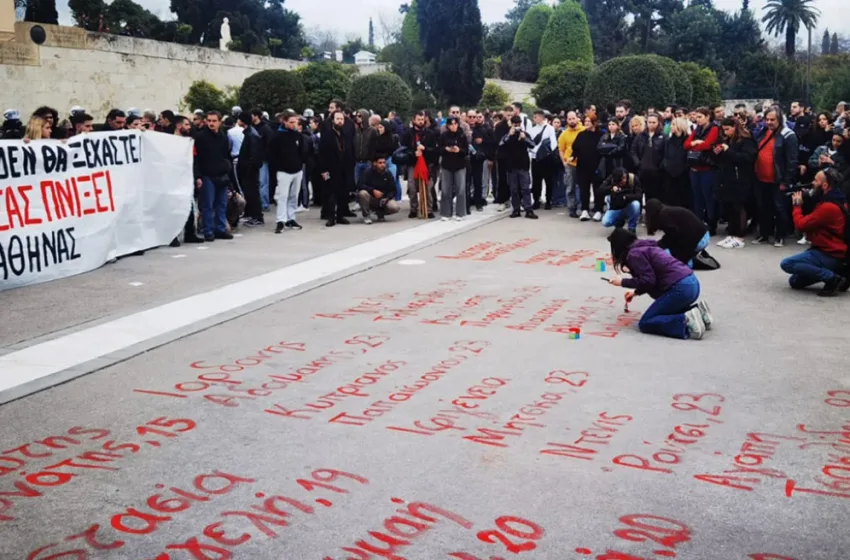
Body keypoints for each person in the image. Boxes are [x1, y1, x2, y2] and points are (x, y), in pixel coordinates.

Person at [607, 228, 710, 340]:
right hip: (691, 283)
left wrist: (622, 282)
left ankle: (686, 321)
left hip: (681, 288)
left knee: (646, 322)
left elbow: (648, 281)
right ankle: (698, 311)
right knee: (663, 311)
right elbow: (651, 277)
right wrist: (636, 292)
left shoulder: (634, 254)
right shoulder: (644, 246)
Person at [780, 168, 849, 296]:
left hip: (830, 252)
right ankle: (838, 272)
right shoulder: (838, 199)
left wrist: (797, 206)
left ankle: (832, 278)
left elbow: (801, 225)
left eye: (816, 181)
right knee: (795, 281)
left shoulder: (828, 207)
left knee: (787, 264)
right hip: (828, 249)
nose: (812, 183)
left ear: (825, 185)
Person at [753, 107, 798, 247]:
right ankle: (765, 234)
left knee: (779, 208)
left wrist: (786, 180)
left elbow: (792, 161)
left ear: (779, 119)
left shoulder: (788, 135)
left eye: (772, 120)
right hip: (761, 178)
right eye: (767, 119)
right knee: (763, 207)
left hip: (778, 179)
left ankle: (780, 236)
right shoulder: (762, 132)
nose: (769, 122)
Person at [714, 117, 756, 249]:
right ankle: (731, 234)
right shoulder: (727, 140)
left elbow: (747, 158)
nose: (725, 132)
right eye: (723, 130)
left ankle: (739, 236)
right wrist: (717, 153)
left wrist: (728, 150)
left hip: (741, 179)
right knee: (730, 208)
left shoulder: (747, 140)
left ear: (734, 127)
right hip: (727, 178)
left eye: (727, 129)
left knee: (739, 208)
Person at [193, 111, 234, 242]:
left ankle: (220, 229)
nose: (211, 123)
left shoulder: (223, 136)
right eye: (209, 120)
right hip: (207, 174)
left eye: (214, 121)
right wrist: (198, 175)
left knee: (222, 203)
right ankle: (208, 230)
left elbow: (226, 154)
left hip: (222, 173)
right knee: (208, 205)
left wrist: (227, 169)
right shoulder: (200, 137)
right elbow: (196, 158)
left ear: (220, 122)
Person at [685, 107, 720, 236]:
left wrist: (696, 144)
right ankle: (698, 223)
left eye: (700, 117)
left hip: (707, 168)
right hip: (695, 168)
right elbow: (686, 144)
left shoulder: (714, 128)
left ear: (707, 117)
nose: (697, 119)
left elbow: (707, 145)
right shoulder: (696, 129)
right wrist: (696, 142)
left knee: (708, 198)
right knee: (697, 198)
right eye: (697, 117)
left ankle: (711, 224)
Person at [645, 199, 710, 267]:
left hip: (699, 240)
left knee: (670, 258)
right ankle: (695, 254)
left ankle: (693, 260)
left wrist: (660, 244)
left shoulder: (663, 215)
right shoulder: (668, 211)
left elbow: (672, 235)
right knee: (670, 250)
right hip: (703, 236)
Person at [319, 111, 355, 227]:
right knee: (330, 194)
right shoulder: (327, 135)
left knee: (343, 193)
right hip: (330, 169)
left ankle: (340, 216)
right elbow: (321, 154)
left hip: (344, 169)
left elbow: (351, 151)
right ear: (333, 120)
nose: (340, 121)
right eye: (338, 119)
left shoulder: (347, 135)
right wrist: (323, 170)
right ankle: (330, 217)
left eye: (342, 119)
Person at [499, 115, 538, 219]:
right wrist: (509, 135)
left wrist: (524, 138)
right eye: (514, 124)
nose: (516, 126)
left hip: (523, 165)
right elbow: (501, 144)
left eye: (518, 124)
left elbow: (533, 145)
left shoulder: (525, 134)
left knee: (525, 188)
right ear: (511, 124)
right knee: (514, 189)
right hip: (511, 165)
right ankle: (516, 209)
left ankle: (528, 209)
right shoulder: (507, 135)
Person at [400, 111, 437, 219]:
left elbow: (434, 150)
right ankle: (413, 209)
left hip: (426, 163)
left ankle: (428, 209)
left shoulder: (430, 133)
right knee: (412, 186)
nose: (420, 122)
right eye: (418, 120)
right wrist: (413, 153)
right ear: (413, 120)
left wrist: (425, 150)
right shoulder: (407, 134)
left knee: (427, 186)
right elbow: (404, 149)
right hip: (412, 163)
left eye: (422, 120)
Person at [572, 115, 604, 221]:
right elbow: (575, 148)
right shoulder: (581, 134)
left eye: (589, 121)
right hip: (582, 166)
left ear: (594, 123)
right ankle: (585, 210)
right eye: (585, 121)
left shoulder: (601, 135)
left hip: (596, 166)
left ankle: (598, 210)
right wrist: (573, 156)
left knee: (597, 189)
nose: (586, 123)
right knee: (584, 189)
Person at [438, 116, 469, 221]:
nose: (453, 126)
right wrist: (446, 149)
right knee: (446, 189)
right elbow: (439, 149)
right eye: (451, 124)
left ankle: (460, 213)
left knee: (460, 189)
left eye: (455, 123)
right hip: (447, 164)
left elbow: (466, 151)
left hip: (459, 164)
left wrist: (459, 150)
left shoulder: (462, 135)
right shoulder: (443, 136)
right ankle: (446, 213)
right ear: (447, 125)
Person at [631, 113, 666, 203]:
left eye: (654, 122)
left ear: (658, 122)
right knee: (640, 194)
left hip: (657, 171)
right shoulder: (641, 136)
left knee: (655, 196)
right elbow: (633, 150)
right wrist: (638, 163)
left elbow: (666, 153)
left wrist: (661, 166)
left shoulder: (663, 136)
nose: (651, 124)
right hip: (642, 170)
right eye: (649, 122)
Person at [357, 156, 401, 224]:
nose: (382, 165)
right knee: (362, 193)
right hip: (371, 197)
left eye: (384, 163)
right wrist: (373, 190)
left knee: (394, 207)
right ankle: (367, 215)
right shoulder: (368, 172)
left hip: (383, 199)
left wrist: (387, 198)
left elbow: (393, 189)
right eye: (380, 163)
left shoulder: (388, 174)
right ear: (374, 163)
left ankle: (380, 213)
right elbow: (360, 185)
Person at [529, 109, 558, 210]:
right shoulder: (532, 130)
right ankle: (536, 200)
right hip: (535, 158)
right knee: (536, 181)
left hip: (547, 158)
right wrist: (534, 151)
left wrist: (547, 152)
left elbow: (553, 143)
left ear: (541, 117)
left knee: (548, 180)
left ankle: (548, 200)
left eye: (536, 117)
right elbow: (530, 144)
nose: (534, 119)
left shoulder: (549, 128)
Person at [558, 111, 585, 218]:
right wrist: (564, 162)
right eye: (569, 119)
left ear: (577, 119)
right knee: (570, 187)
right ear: (567, 120)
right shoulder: (564, 134)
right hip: (570, 164)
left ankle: (583, 207)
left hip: (583, 163)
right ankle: (572, 208)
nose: (572, 121)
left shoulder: (583, 130)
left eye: (573, 118)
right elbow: (561, 150)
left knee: (583, 186)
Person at [599, 168, 642, 233]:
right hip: (615, 207)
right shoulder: (611, 179)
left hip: (629, 205)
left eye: (625, 177)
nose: (624, 180)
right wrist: (611, 188)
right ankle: (619, 222)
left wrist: (625, 197)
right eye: (621, 178)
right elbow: (600, 190)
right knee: (605, 222)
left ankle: (632, 227)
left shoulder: (632, 178)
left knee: (636, 204)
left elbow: (639, 195)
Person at [663, 117, 690, 208]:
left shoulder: (687, 140)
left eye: (673, 124)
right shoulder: (669, 141)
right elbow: (666, 156)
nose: (671, 126)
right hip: (670, 173)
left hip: (684, 174)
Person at [373, 120, 400, 201]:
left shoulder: (393, 138)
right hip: (380, 160)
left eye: (381, 127)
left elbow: (395, 150)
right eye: (378, 127)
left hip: (390, 160)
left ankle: (396, 198)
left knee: (392, 180)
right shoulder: (377, 138)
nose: (379, 129)